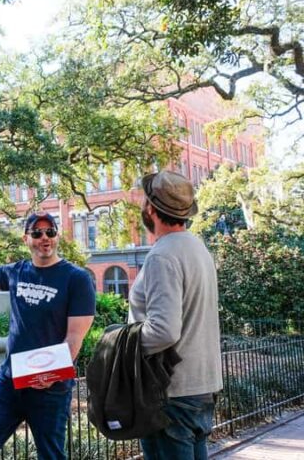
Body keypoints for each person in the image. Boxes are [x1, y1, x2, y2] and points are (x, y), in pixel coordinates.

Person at [0, 211, 96, 460]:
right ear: (26, 238)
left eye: (50, 232)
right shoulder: (17, 271)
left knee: (51, 455)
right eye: (37, 233)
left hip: (50, 388)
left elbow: (74, 338)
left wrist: (50, 374)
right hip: (9, 381)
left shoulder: (76, 279)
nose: (44, 238)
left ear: (56, 236)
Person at [130, 171, 222, 460]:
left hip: (171, 391)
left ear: (150, 209)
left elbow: (164, 331)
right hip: (201, 386)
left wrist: (121, 344)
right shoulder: (198, 248)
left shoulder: (162, 255)